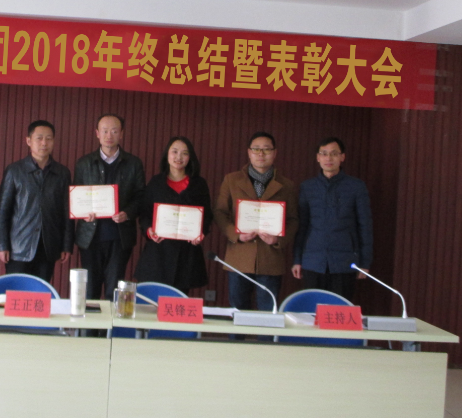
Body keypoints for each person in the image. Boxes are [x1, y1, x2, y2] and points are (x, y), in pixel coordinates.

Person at [214, 131, 298, 316]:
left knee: (268, 314)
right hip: (239, 256)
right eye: (256, 149)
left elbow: (293, 219)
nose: (261, 154)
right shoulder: (231, 180)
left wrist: (278, 239)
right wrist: (236, 235)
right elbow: (220, 212)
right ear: (249, 152)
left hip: (270, 258)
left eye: (266, 149)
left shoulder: (287, 185)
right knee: (238, 312)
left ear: (275, 153)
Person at [292, 137, 373, 302]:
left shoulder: (356, 186)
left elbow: (365, 226)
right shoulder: (307, 187)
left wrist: (365, 263)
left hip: (344, 263)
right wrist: (297, 260)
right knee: (312, 311)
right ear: (318, 157)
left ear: (342, 157)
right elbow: (302, 226)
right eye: (324, 153)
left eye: (334, 154)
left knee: (339, 311)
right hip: (312, 261)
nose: (328, 158)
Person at [74, 114, 145, 300]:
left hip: (120, 237)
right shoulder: (84, 163)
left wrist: (127, 213)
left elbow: (141, 196)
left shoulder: (134, 163)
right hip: (90, 237)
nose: (109, 135)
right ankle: (89, 321)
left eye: (114, 131)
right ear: (97, 133)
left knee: (113, 291)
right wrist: (82, 213)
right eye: (104, 131)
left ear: (121, 134)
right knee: (90, 291)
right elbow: (76, 196)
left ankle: (112, 321)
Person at [0, 120, 74, 283]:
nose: (44, 143)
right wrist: (2, 245)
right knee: (16, 292)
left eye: (49, 138)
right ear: (28, 141)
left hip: (49, 245)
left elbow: (67, 211)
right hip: (18, 245)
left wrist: (66, 245)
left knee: (41, 291)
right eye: (39, 138)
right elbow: (3, 211)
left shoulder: (62, 173)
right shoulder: (14, 171)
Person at [134, 136, 212, 295]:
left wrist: (200, 233)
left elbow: (207, 216)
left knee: (178, 302)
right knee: (153, 303)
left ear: (190, 157)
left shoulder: (199, 184)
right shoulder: (156, 183)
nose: (179, 157)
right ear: (167, 155)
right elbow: (145, 214)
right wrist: (149, 231)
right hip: (158, 254)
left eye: (184, 153)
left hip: (186, 254)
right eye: (174, 152)